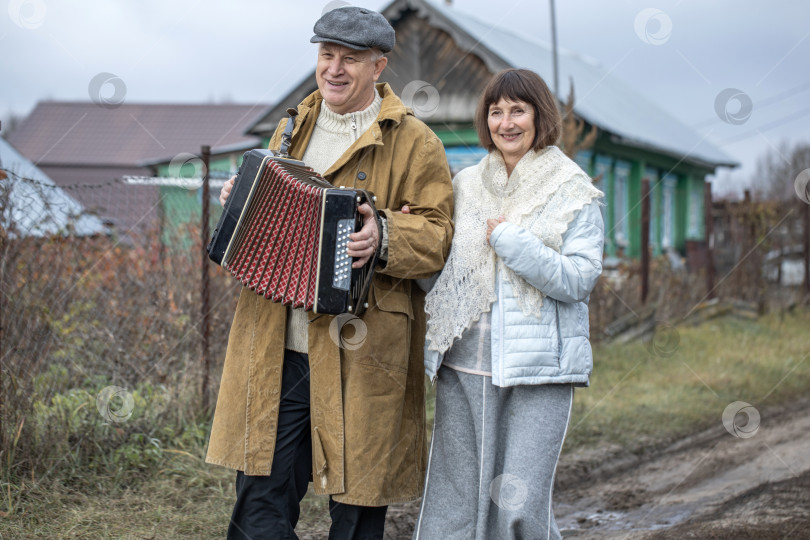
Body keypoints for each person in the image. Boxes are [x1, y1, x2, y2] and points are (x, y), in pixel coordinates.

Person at [206, 6, 454, 539]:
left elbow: (438, 234)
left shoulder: (415, 142)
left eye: (351, 59)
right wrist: (240, 201)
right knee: (258, 505)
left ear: (379, 66)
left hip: (361, 347)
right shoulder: (291, 126)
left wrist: (382, 234)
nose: (335, 69)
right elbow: (270, 207)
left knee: (358, 509)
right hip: (282, 343)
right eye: (326, 55)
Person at [413, 69, 604, 540]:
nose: (506, 122)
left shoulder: (571, 189)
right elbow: (443, 278)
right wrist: (415, 247)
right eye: (496, 112)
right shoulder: (468, 185)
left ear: (540, 115)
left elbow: (580, 279)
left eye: (518, 110)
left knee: (518, 509)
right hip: (463, 368)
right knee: (457, 509)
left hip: (538, 370)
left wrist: (511, 242)